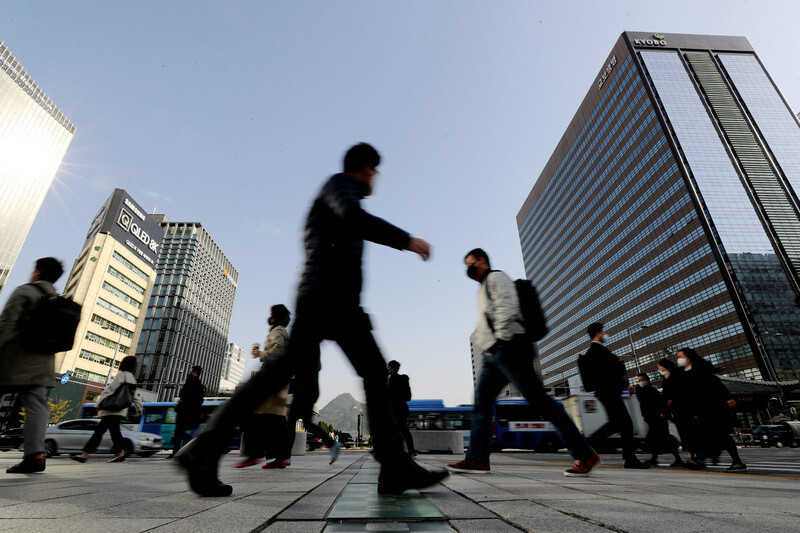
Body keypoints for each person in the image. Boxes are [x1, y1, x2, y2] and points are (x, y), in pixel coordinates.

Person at [174, 143, 448, 496]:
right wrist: (406, 240)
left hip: (330, 298)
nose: (376, 177)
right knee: (369, 372)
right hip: (328, 299)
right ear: (365, 168)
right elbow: (351, 217)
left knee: (286, 374)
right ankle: (394, 465)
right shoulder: (340, 186)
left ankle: (202, 449)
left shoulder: (338, 191)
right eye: (374, 170)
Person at [448, 249, 599, 477]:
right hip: (494, 354)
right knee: (481, 405)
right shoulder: (483, 288)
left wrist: (500, 340)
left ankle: (585, 453)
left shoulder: (496, 277)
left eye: (471, 264)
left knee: (540, 402)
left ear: (482, 261)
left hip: (509, 347)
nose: (469, 269)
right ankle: (477, 459)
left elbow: (507, 309)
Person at [0, 258, 65, 474]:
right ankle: (35, 456)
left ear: (37, 272)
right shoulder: (56, 299)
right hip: (44, 365)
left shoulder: (25, 292)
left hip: (15, 360)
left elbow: (6, 325)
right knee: (37, 407)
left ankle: (34, 457)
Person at [578, 323, 649, 469]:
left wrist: (624, 385)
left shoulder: (595, 351)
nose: (605, 333)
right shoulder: (597, 351)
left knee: (621, 424)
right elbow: (610, 372)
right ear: (598, 333)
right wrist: (624, 384)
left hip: (607, 392)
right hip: (608, 392)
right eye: (603, 331)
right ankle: (586, 446)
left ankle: (629, 458)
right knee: (622, 423)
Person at [236, 304, 297, 469]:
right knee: (275, 419)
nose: (269, 316)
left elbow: (277, 352)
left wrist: (260, 354)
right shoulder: (277, 331)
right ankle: (279, 458)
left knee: (254, 413)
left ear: (276, 316)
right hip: (277, 378)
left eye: (271, 313)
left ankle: (254, 454)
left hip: (273, 378)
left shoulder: (278, 331)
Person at [675, 348, 747, 472]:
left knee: (722, 435)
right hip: (698, 409)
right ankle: (701, 460)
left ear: (688, 357)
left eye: (680, 356)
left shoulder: (700, 370)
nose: (678, 359)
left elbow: (715, 384)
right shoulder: (684, 373)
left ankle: (737, 462)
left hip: (712, 408)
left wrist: (727, 398)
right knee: (703, 435)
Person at [72, 356, 143, 463]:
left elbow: (110, 390)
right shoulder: (132, 379)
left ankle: (85, 455)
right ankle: (120, 454)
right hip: (121, 410)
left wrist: (98, 404)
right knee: (113, 432)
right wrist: (139, 407)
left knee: (101, 432)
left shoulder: (121, 375)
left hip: (111, 409)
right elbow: (134, 396)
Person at [635, 373, 683, 467]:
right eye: (639, 380)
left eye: (642, 380)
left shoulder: (652, 390)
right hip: (651, 419)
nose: (641, 382)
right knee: (658, 440)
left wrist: (662, 413)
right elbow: (641, 397)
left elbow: (660, 403)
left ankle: (675, 459)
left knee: (661, 439)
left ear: (647, 380)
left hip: (657, 419)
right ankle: (656, 459)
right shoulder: (642, 390)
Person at [167, 365, 205, 458]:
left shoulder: (192, 381)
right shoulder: (198, 384)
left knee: (178, 432)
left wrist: (180, 403)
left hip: (185, 411)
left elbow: (185, 396)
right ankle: (177, 453)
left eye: (191, 371)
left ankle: (187, 444)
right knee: (178, 432)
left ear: (195, 372)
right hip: (189, 412)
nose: (190, 372)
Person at [387, 360, 415, 456]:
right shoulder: (403, 379)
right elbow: (408, 397)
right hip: (402, 409)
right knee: (403, 431)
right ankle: (411, 451)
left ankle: (410, 451)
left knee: (400, 431)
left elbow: (389, 396)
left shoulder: (392, 380)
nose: (388, 369)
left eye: (389, 367)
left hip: (396, 410)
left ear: (392, 368)